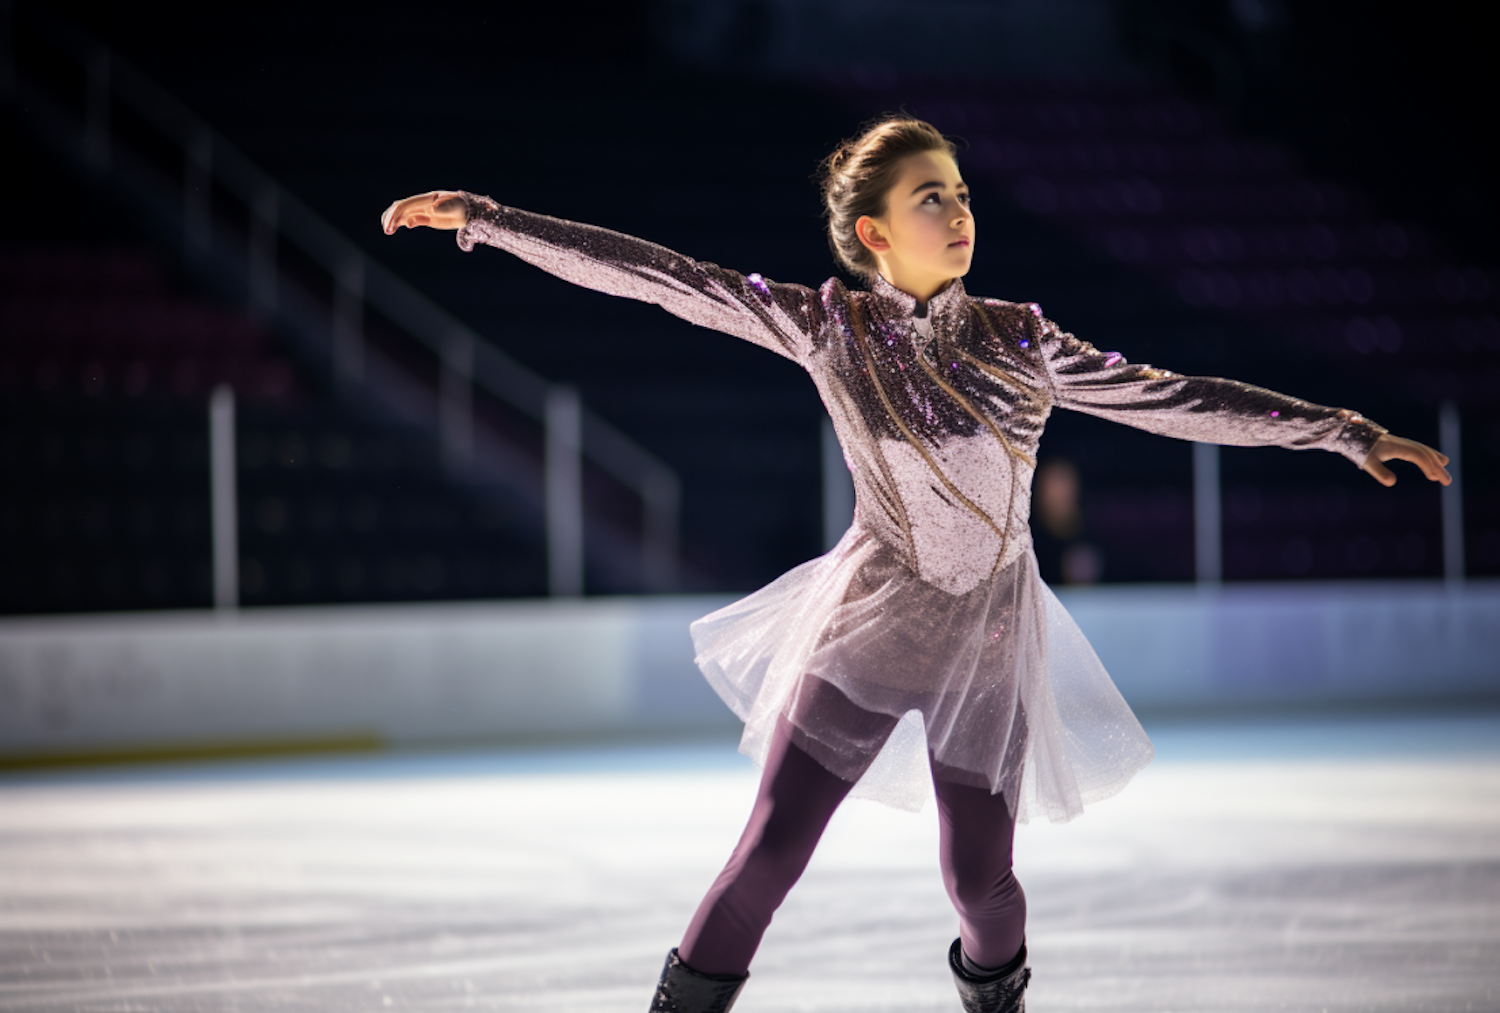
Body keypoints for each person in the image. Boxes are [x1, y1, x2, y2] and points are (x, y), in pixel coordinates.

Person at [381, 116, 1450, 1013]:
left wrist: (1344, 431)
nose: (959, 212)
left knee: (979, 880)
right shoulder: (828, 326)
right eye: (931, 198)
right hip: (871, 625)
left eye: (962, 192)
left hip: (989, 642)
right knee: (767, 853)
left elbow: (1178, 398)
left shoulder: (1023, 338)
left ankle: (1000, 999)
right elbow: (664, 279)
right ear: (872, 232)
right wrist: (491, 220)